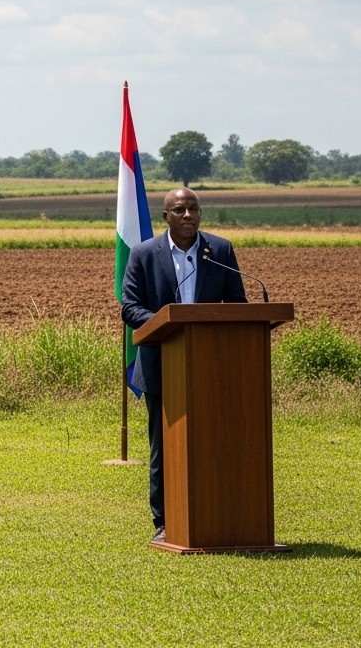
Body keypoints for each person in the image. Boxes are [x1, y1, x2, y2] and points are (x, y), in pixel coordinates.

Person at [120, 187, 247, 543]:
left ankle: (215, 513)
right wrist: (169, 326)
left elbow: (237, 303)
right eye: (179, 210)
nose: (188, 215)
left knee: (214, 443)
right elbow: (130, 307)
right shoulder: (145, 254)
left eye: (193, 208)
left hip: (213, 367)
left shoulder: (219, 251)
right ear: (167, 217)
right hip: (163, 364)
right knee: (164, 447)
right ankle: (164, 522)